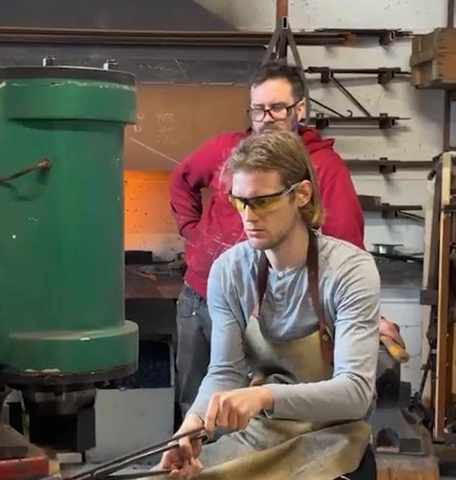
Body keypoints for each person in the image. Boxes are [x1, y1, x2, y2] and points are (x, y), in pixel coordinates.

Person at [170, 61, 398, 415]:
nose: (266, 118)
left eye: (276, 107)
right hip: (202, 292)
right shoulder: (228, 152)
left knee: (257, 406)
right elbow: (181, 180)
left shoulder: (324, 167)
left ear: (299, 109)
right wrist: (194, 233)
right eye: (258, 109)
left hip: (277, 306)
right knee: (200, 404)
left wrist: (358, 310)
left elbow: (345, 251)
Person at [161, 130, 379, 479]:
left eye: (263, 202)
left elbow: (356, 392)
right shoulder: (229, 271)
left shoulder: (349, 271)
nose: (248, 216)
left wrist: (263, 397)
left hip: (332, 437)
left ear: (302, 194)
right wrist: (193, 424)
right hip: (263, 435)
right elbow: (225, 371)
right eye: (240, 202)